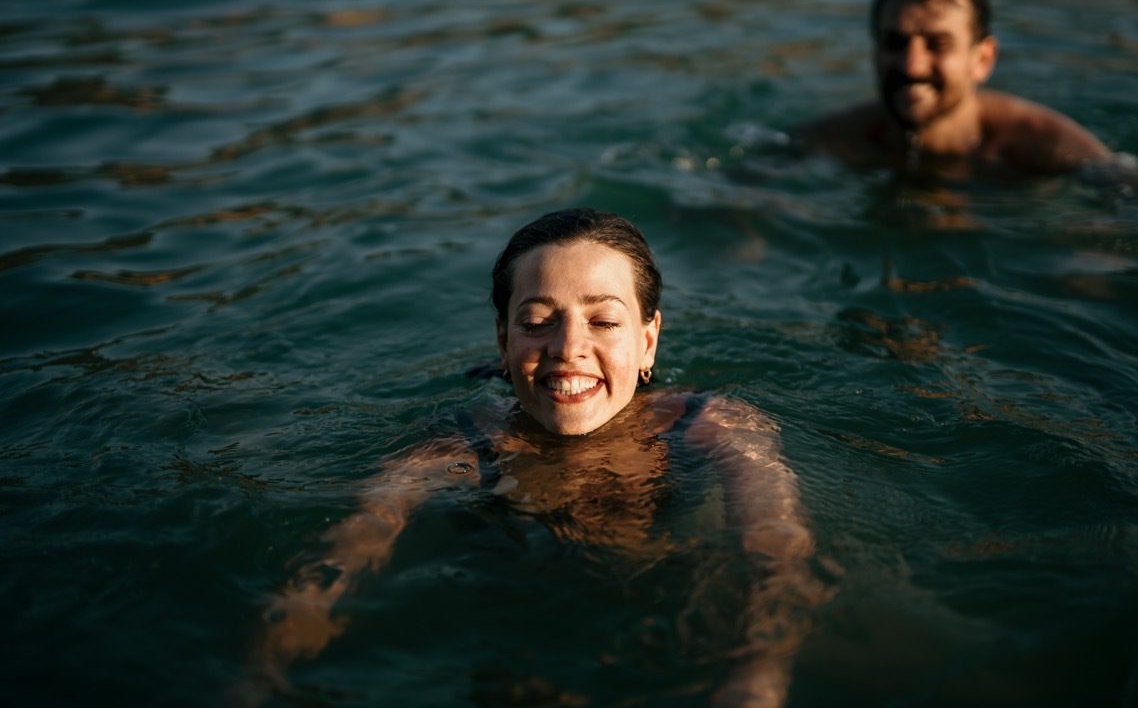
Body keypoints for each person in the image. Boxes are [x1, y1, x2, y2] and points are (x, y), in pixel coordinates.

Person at [236, 208, 826, 708]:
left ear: (648, 340)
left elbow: (778, 554)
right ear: (503, 340)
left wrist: (757, 675)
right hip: (511, 640)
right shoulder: (458, 443)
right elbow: (342, 556)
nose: (568, 348)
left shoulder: (708, 426)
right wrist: (260, 670)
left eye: (603, 320)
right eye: (538, 322)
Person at [799, 0, 1113, 180]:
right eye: (895, 43)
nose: (912, 66)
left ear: (982, 59)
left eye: (938, 45)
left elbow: (1134, 209)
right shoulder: (838, 139)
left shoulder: (1044, 147)